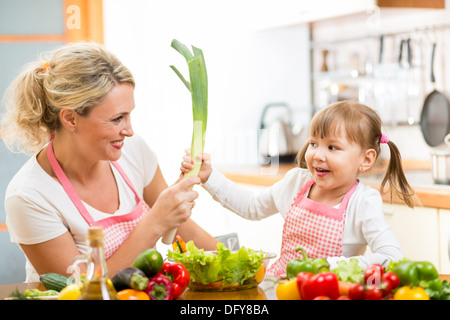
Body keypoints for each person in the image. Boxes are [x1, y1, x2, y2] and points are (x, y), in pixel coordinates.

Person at [0, 42, 218, 282]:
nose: (130, 130)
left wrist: (245, 266)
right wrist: (155, 221)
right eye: (117, 119)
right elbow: (82, 290)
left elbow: (186, 229)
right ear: (71, 118)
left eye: (129, 115)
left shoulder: (134, 152)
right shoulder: (29, 196)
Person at [181, 100, 417, 276]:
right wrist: (209, 176)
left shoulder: (363, 202)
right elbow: (251, 207)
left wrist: (330, 266)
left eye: (333, 147)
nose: (317, 155)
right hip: (281, 289)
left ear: (365, 160)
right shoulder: (295, 181)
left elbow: (391, 258)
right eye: (314, 143)